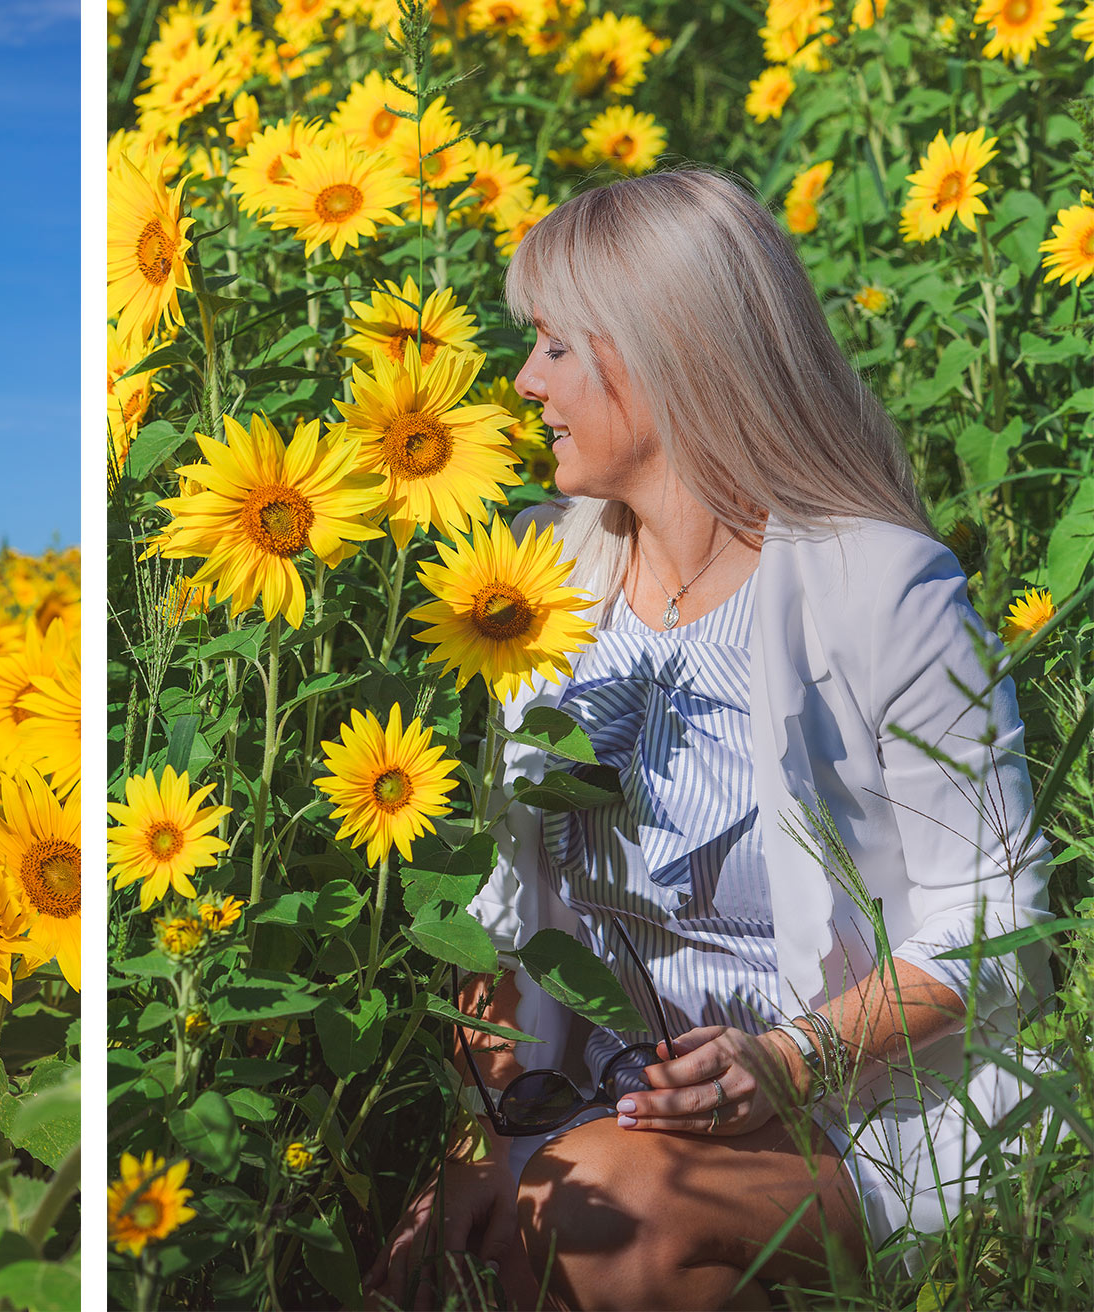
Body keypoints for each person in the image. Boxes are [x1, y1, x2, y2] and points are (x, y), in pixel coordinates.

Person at [365, 170, 1053, 1311]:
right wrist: (482, 1139)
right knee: (448, 1256)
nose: (524, 382)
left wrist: (784, 1061)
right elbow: (499, 917)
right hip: (583, 1100)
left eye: (551, 347)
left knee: (611, 1214)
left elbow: (995, 921)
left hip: (855, 1114)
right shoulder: (538, 580)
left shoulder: (876, 587)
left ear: (663, 352)